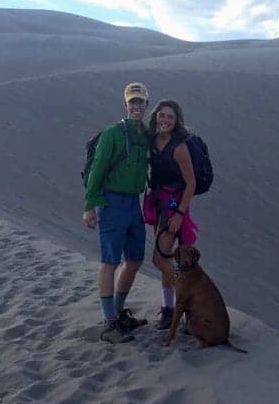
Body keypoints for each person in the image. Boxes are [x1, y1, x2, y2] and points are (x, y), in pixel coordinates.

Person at [83, 82, 151, 343]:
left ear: (146, 105)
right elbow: (98, 169)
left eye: (140, 101)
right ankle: (109, 323)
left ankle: (119, 312)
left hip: (134, 202)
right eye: (132, 101)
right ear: (125, 105)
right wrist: (90, 205)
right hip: (111, 202)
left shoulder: (145, 135)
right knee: (110, 261)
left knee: (134, 260)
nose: (136, 106)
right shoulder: (112, 133)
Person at [143, 99, 200, 330]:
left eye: (170, 117)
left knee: (159, 259)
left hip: (173, 206)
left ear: (176, 122)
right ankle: (169, 310)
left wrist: (179, 214)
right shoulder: (153, 141)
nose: (165, 120)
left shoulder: (179, 147)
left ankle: (190, 304)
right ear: (156, 116)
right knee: (165, 257)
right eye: (162, 115)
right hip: (158, 204)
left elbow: (191, 183)